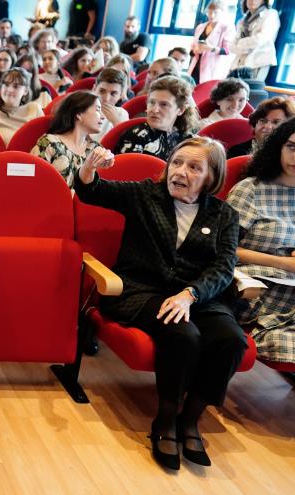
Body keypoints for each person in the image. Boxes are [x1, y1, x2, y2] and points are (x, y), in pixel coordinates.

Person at [75, 136, 246, 470]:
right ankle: (165, 421)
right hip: (143, 290)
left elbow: (223, 267)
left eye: (194, 167)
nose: (179, 172)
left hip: (197, 296)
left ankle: (191, 419)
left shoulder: (224, 215)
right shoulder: (145, 195)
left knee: (231, 340)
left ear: (211, 177)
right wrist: (89, 166)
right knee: (183, 334)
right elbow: (91, 191)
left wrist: (191, 294)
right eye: (177, 162)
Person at [228, 119, 295, 365]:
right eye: (292, 147)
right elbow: (223, 249)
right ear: (278, 146)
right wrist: (284, 263)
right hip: (255, 288)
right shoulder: (251, 190)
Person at [32, 91, 106, 186]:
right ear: (79, 114)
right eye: (98, 109)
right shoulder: (49, 143)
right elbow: (34, 183)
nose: (103, 117)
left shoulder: (96, 149)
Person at [115, 77, 198, 160]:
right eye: (152, 102)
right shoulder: (136, 135)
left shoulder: (187, 141)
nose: (154, 110)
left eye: (164, 104)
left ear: (181, 110)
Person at [0, 67, 44, 144]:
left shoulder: (35, 109)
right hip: (1, 155)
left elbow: (43, 141)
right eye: (6, 85)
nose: (9, 90)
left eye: (16, 86)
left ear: (25, 91)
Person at [227, 96, 295, 158]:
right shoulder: (237, 153)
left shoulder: (291, 155)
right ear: (255, 124)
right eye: (263, 121)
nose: (267, 126)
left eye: (276, 122)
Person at [229, 0, 280, 81]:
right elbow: (231, 46)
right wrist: (244, 45)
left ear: (263, 1)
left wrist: (241, 43)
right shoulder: (242, 21)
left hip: (258, 62)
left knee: (251, 91)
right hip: (239, 63)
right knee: (231, 90)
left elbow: (260, 39)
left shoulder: (271, 14)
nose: (252, 0)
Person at [90, 68, 130, 141]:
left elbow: (125, 144)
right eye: (102, 91)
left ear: (120, 95)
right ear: (94, 89)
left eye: (113, 94)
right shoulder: (80, 109)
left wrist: (117, 122)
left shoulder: (122, 114)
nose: (106, 99)